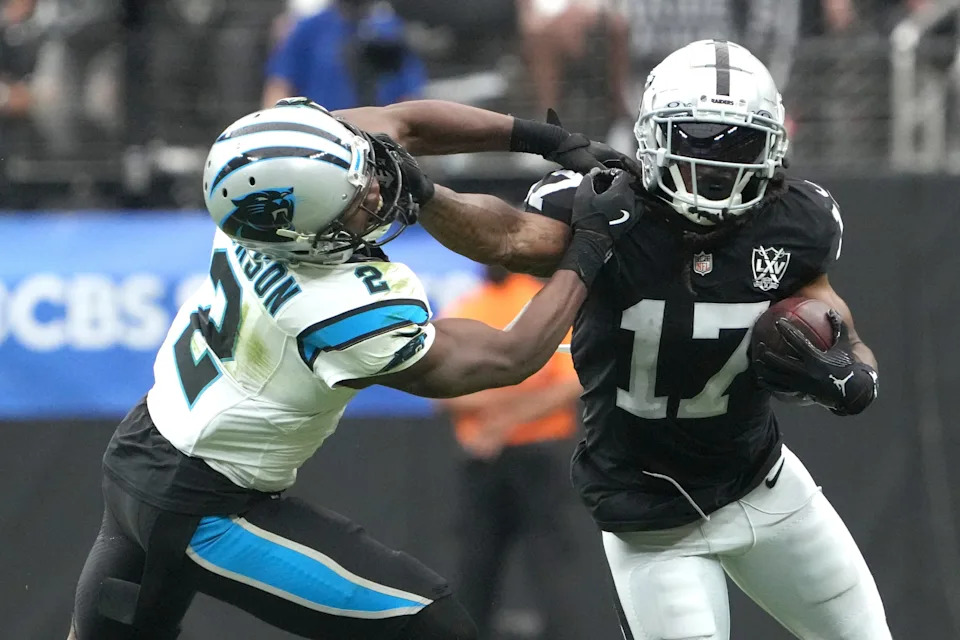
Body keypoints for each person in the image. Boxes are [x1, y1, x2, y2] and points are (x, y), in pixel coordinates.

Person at [66, 96, 641, 640]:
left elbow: (401, 122)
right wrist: (589, 249)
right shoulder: (329, 306)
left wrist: (546, 138)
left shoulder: (264, 182)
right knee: (433, 625)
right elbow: (507, 355)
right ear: (302, 233)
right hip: (207, 509)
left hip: (141, 450)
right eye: (354, 199)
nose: (373, 190)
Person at [412, 40, 891, 639]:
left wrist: (854, 371)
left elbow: (840, 325)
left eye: (739, 144)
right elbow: (506, 237)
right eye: (692, 140)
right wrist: (426, 194)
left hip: (765, 485)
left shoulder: (795, 220)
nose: (713, 166)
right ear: (654, 137)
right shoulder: (607, 206)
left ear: (772, 148)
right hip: (652, 518)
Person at [439, 265, 582, 640]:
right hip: (484, 458)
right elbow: (441, 388)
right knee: (474, 569)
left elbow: (571, 384)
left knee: (552, 567)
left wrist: (499, 421)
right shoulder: (465, 306)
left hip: (537, 453)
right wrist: (516, 402)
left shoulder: (542, 303)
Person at [263, 0, 426, 110]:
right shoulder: (310, 28)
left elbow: (409, 95)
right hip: (323, 134)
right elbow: (279, 86)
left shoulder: (391, 31)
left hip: (378, 140)